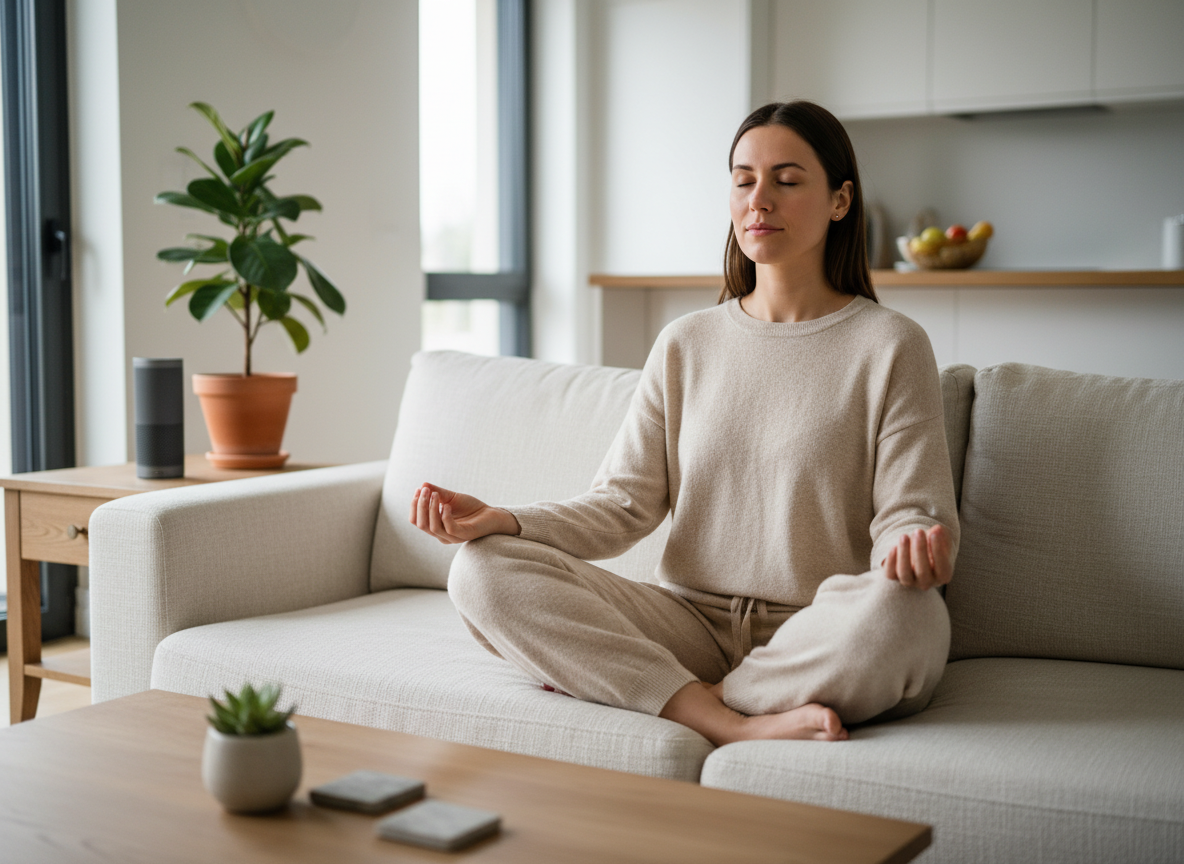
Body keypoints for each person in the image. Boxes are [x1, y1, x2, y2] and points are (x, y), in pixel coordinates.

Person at [410, 101, 959, 746]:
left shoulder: (890, 344)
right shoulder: (685, 343)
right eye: (743, 179)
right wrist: (506, 521)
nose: (759, 200)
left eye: (786, 180)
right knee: (481, 570)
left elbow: (911, 511)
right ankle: (717, 718)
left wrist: (917, 547)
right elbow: (621, 505)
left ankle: (711, 698)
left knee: (908, 615)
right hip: (686, 623)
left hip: (819, 627)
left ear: (840, 201)